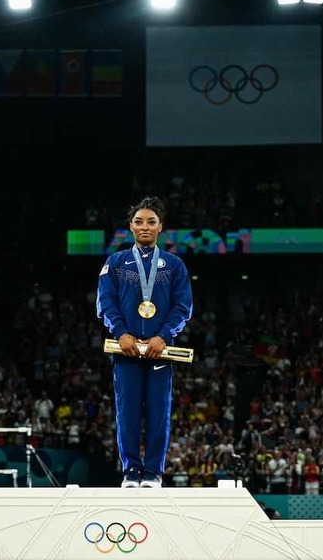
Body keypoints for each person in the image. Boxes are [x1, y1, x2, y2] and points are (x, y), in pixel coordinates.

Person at [96, 196, 193, 489]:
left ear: (161, 226)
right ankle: (130, 471)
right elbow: (106, 302)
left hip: (159, 351)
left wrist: (162, 336)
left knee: (157, 412)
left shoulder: (174, 265)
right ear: (130, 226)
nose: (145, 226)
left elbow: (183, 306)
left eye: (151, 221)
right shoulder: (116, 262)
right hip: (125, 349)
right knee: (127, 412)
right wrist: (121, 333)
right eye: (139, 221)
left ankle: (152, 472)